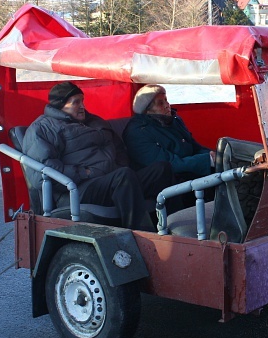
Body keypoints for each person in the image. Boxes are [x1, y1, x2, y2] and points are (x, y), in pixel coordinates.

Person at [21, 81, 174, 231]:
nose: (82, 106)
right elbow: (41, 173)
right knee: (123, 177)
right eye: (76, 102)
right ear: (60, 105)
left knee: (162, 169)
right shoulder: (42, 129)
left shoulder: (94, 121)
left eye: (82, 101)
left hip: (112, 180)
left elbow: (119, 148)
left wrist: (118, 166)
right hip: (77, 189)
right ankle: (143, 237)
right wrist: (84, 172)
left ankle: (178, 232)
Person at [123, 84, 216, 188]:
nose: (167, 105)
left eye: (166, 100)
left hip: (189, 170)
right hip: (167, 182)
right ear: (147, 110)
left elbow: (194, 146)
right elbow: (168, 164)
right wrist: (207, 160)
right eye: (160, 103)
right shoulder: (137, 133)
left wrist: (215, 155)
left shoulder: (174, 120)